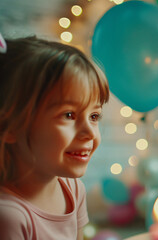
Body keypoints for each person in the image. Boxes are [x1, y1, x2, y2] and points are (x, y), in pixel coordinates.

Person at [0, 36, 110, 239]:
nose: (90, 133)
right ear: (9, 127)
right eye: (69, 115)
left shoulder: (73, 189)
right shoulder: (8, 218)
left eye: (94, 116)